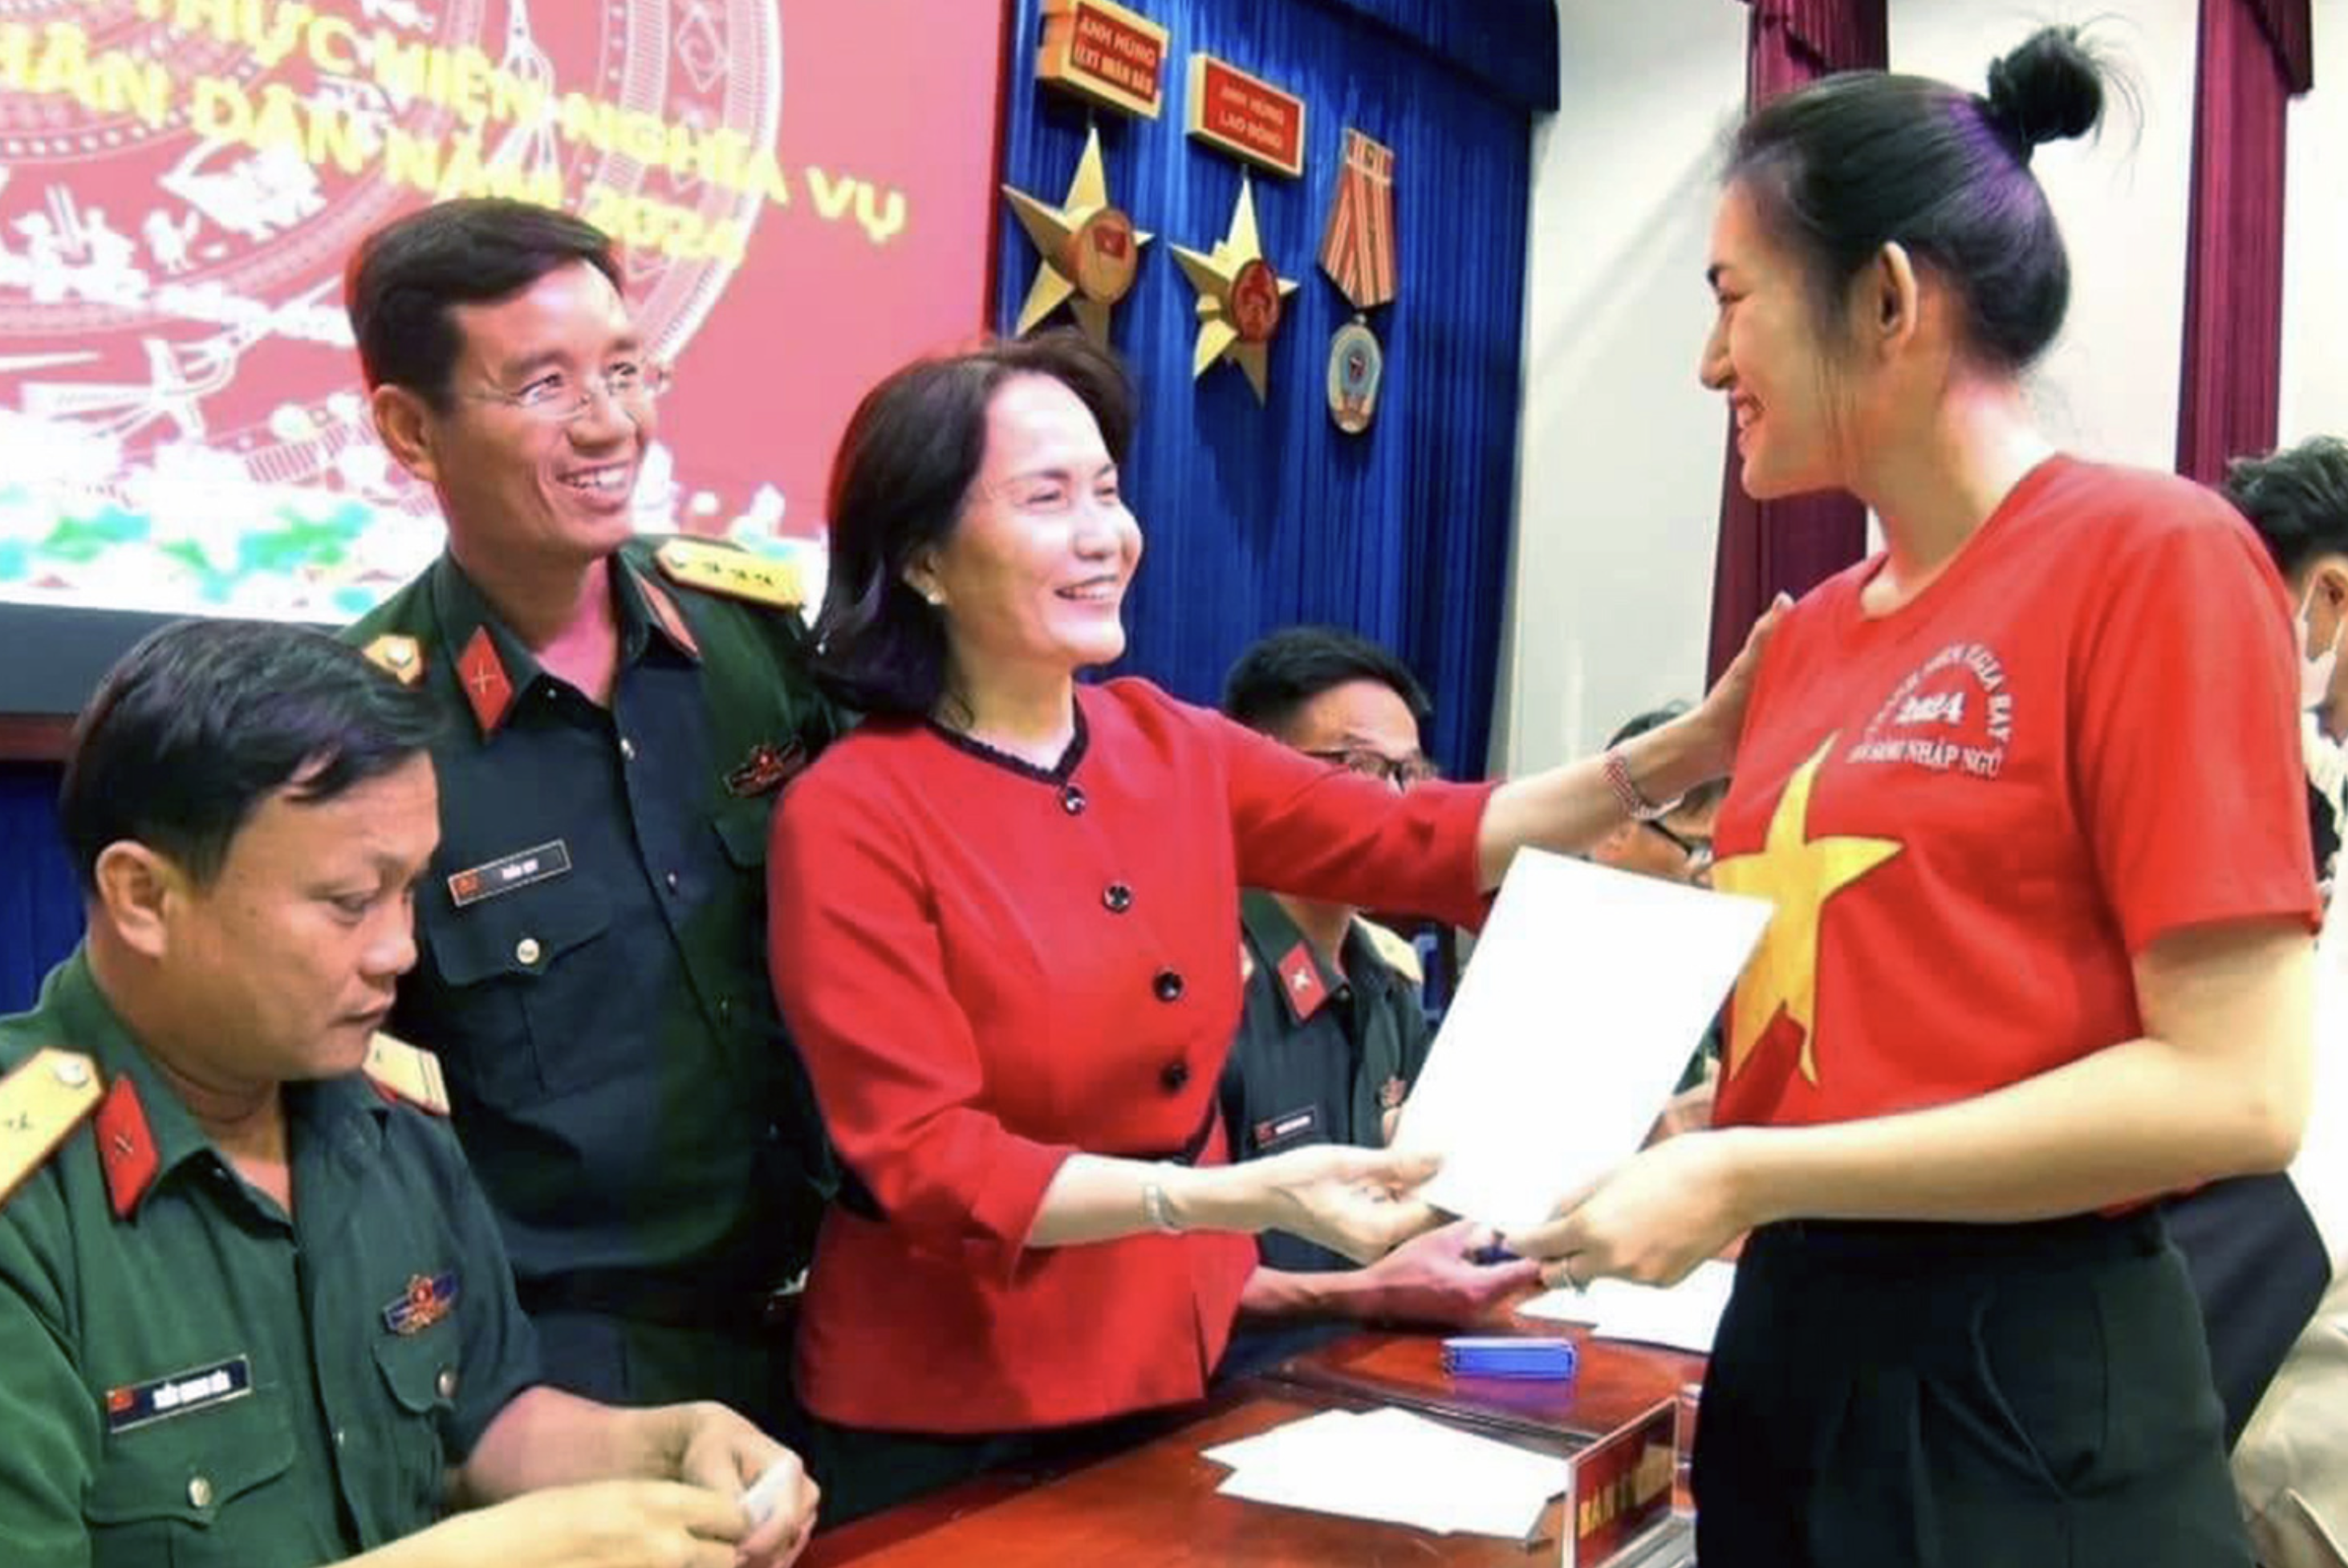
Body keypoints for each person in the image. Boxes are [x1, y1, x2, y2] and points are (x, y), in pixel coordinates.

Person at [1509, 31, 2318, 1568]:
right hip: (1790, 1357)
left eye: (1729, 298)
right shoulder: (1807, 634)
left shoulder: (2152, 558)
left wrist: (1746, 1168)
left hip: (2019, 1388)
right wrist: (1686, 1127)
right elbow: (1887, 1030)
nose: (1706, 363)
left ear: (1886, 297)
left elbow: (2236, 1088)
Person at [765, 331, 1777, 1520]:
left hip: (1174, 1362)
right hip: (943, 1403)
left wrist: (1689, 748)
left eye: (1106, 490)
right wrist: (1235, 1197)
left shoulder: (1165, 741)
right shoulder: (852, 810)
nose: (1105, 534)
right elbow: (931, 1160)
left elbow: (1423, 837)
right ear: (924, 557)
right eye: (1047, 499)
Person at [0, 619, 816, 1567]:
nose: (400, 949)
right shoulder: (32, 1209)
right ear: (145, 896)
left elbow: (481, 1427)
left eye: (411, 892)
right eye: (350, 902)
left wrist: (663, 1448)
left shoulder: (384, 1113)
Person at [339, 198, 843, 1434]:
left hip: (857, 1318)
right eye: (545, 385)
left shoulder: (750, 634)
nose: (611, 422)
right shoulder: (363, 732)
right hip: (589, 1374)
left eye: (624, 368)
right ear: (411, 429)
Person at [1213, 627, 1541, 1374]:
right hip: (1214, 1403)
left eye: (1411, 774)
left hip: (1364, 1377)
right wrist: (1362, 1292)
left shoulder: (1388, 977)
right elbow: (1153, 1281)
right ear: (1253, 772)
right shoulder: (1203, 984)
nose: (1394, 806)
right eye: (1359, 767)